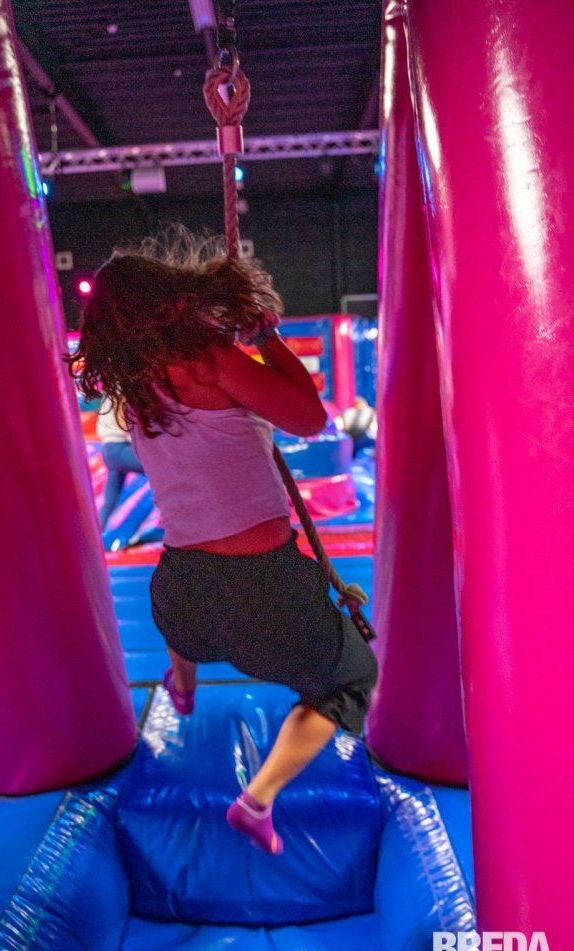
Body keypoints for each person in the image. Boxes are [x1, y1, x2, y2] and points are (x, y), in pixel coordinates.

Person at [67, 229, 378, 856]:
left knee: (185, 619)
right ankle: (256, 802)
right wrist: (266, 342)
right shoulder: (212, 361)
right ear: (168, 298)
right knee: (353, 681)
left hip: (180, 588)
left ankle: (182, 681)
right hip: (262, 588)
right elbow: (310, 419)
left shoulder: (135, 385)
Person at [96, 396, 144, 529]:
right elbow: (124, 420)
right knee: (160, 469)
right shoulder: (121, 389)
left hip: (108, 449)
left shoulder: (109, 392)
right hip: (120, 448)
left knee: (109, 502)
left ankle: (95, 535)